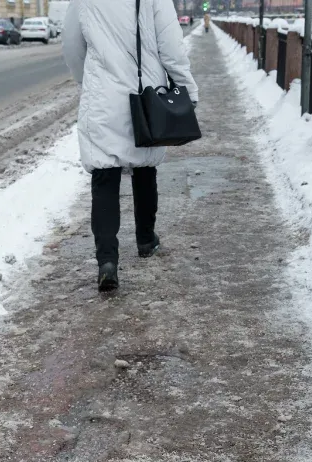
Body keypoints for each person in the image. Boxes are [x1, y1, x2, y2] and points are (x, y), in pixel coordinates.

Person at [62, 0, 199, 292]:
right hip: (146, 94)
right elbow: (171, 47)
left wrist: (87, 80)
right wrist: (188, 89)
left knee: (104, 174)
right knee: (145, 167)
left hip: (103, 96)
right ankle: (146, 240)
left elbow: (72, 45)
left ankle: (107, 262)